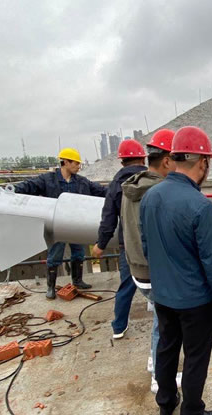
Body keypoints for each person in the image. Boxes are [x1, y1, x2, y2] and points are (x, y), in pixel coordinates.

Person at [140, 126, 212, 415]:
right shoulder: (200, 206)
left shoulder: (150, 197)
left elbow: (146, 247)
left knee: (166, 349)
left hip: (163, 296)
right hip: (196, 302)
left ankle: (166, 405)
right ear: (203, 163)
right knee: (196, 358)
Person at [120, 129, 178, 393]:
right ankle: (160, 378)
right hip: (155, 272)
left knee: (160, 320)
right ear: (166, 161)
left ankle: (155, 362)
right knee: (166, 327)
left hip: (138, 270)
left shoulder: (132, 186)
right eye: (178, 160)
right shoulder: (159, 193)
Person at [15, 148, 106, 299]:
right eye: (76, 163)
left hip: (76, 224)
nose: (79, 166)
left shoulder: (81, 182)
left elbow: (101, 191)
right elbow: (28, 187)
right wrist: (12, 191)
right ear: (65, 162)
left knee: (78, 253)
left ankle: (77, 281)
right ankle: (50, 287)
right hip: (57, 225)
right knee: (54, 256)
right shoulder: (47, 180)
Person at [92, 140, 148, 339]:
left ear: (122, 161)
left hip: (129, 244)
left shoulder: (117, 184)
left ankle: (119, 326)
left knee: (127, 284)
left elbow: (108, 218)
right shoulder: (153, 179)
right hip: (156, 241)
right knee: (162, 281)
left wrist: (101, 244)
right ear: (143, 159)